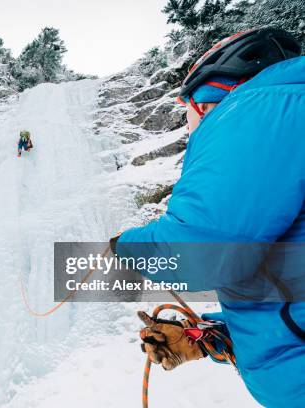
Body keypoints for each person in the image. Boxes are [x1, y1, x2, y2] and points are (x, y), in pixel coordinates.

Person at [112, 28, 305, 407]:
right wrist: (209, 337)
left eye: (189, 113)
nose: (190, 129)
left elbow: (203, 251)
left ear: (208, 97)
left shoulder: (260, 108)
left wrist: (125, 246)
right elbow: (283, 292)